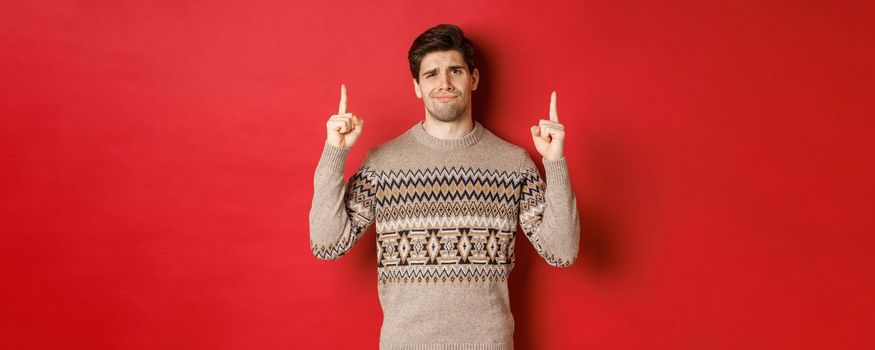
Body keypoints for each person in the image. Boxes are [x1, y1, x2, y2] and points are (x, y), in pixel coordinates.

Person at [309, 23, 580, 350]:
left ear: (474, 79)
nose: (444, 83)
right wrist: (334, 150)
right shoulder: (384, 163)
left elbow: (562, 252)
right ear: (417, 87)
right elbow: (326, 244)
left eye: (455, 70)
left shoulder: (513, 164)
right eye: (431, 74)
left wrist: (555, 161)